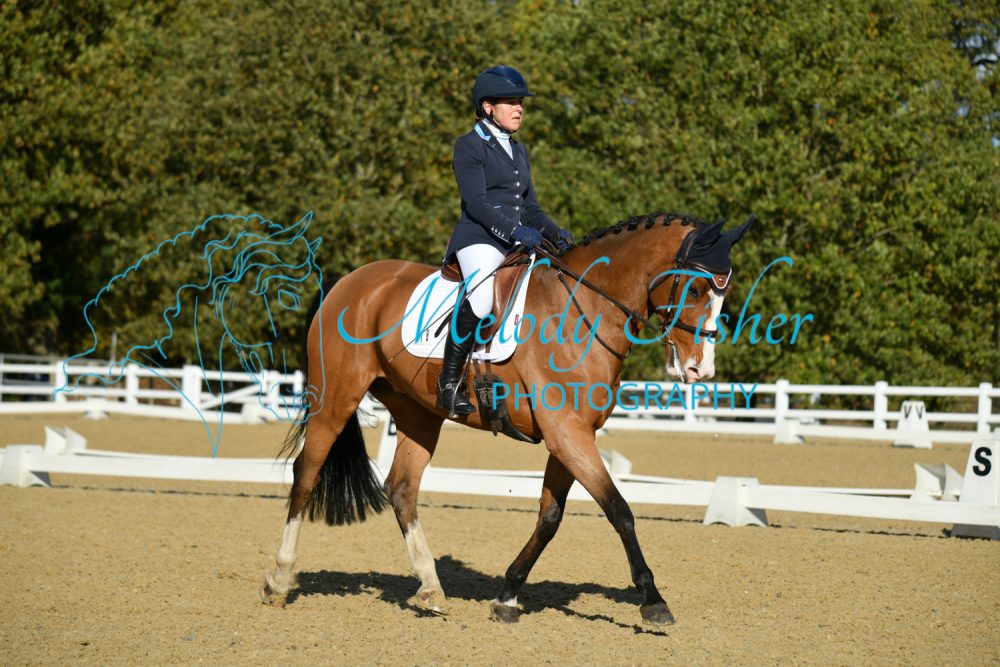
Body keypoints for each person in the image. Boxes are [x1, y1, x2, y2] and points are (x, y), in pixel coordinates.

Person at [437, 65, 574, 417]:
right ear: (488, 107)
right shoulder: (469, 146)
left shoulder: (518, 150)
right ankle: (448, 384)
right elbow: (476, 203)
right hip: (479, 239)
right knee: (482, 297)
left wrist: (555, 233)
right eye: (511, 102)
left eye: (521, 102)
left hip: (515, 241)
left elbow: (530, 208)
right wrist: (515, 231)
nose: (519, 108)